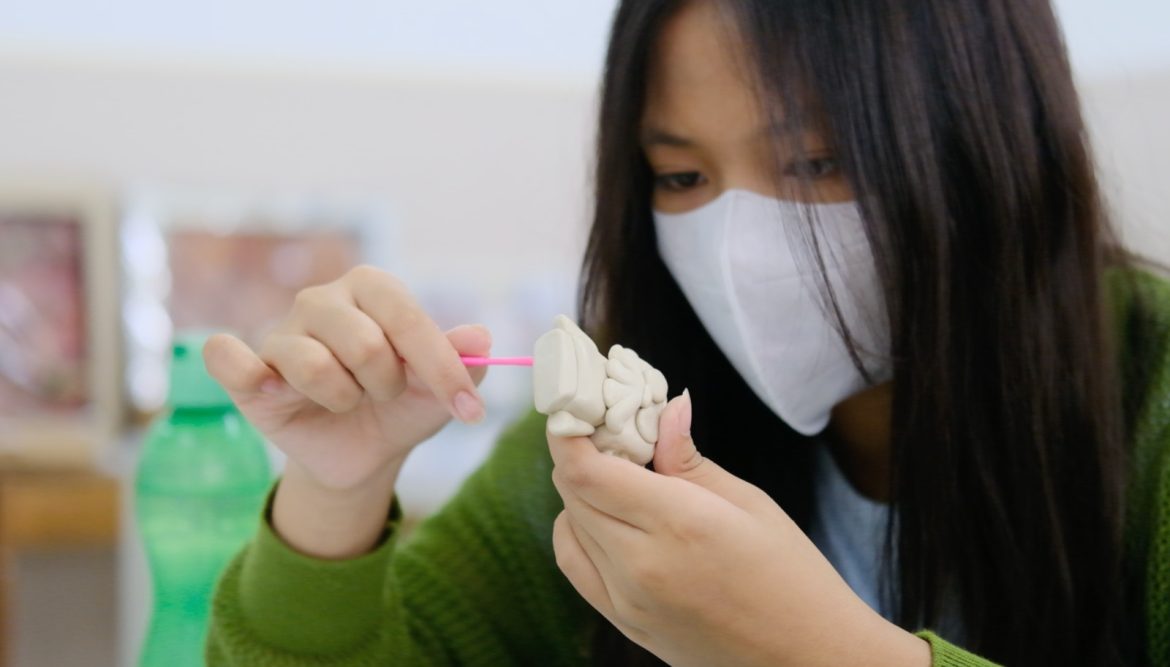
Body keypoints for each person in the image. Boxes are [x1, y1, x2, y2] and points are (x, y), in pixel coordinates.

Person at [203, 1, 1170, 665]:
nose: (740, 244)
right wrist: (334, 496)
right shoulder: (609, 433)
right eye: (681, 176)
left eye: (817, 161)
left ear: (986, 143)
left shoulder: (1151, 404)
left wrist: (824, 650)